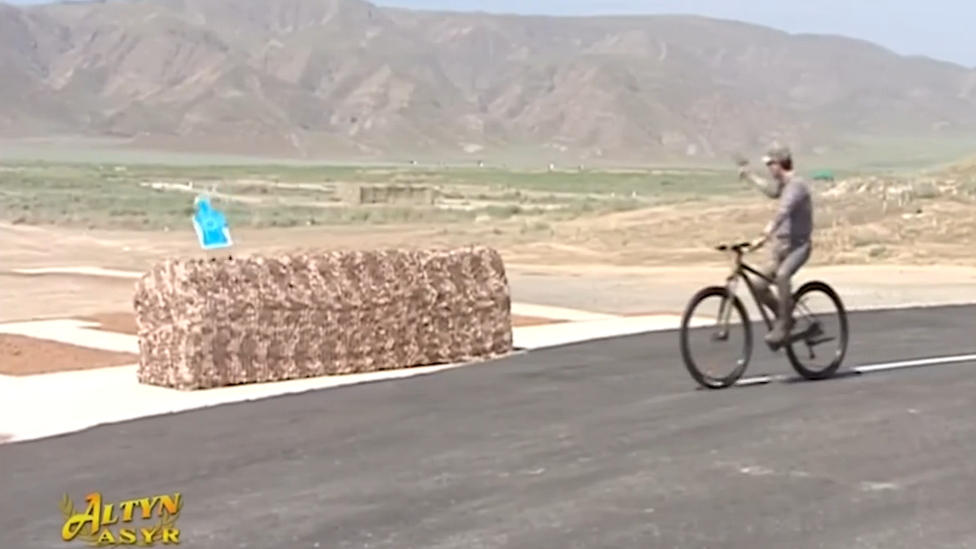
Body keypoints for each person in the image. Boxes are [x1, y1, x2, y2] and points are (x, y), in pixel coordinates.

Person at [738, 145, 813, 346]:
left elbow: (783, 211)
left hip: (798, 247)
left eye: (771, 164)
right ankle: (784, 316)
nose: (770, 169)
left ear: (780, 164)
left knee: (782, 276)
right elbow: (771, 191)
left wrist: (764, 235)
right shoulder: (784, 186)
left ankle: (784, 323)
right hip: (781, 248)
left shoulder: (796, 186)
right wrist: (750, 176)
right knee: (758, 285)